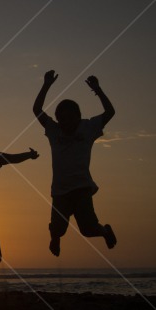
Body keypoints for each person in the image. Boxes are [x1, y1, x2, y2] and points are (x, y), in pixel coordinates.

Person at [33, 70, 117, 256]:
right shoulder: (54, 131)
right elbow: (37, 110)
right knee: (58, 228)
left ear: (78, 117)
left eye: (70, 118)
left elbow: (110, 112)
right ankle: (55, 239)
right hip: (61, 191)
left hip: (81, 188)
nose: (66, 122)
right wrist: (46, 84)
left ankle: (105, 231)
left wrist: (98, 89)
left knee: (87, 230)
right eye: (62, 119)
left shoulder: (88, 127)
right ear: (58, 120)